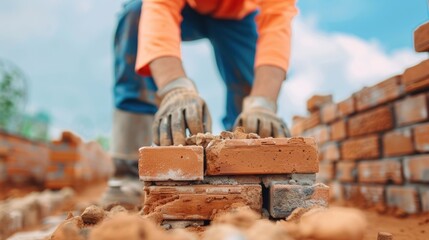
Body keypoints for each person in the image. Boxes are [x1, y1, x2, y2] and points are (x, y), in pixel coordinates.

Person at [102, 0, 297, 207]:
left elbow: (277, 23)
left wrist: (262, 103)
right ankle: (127, 175)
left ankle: (246, 177)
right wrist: (174, 88)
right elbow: (159, 8)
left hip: (239, 15)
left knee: (251, 99)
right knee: (135, 16)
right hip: (186, 6)